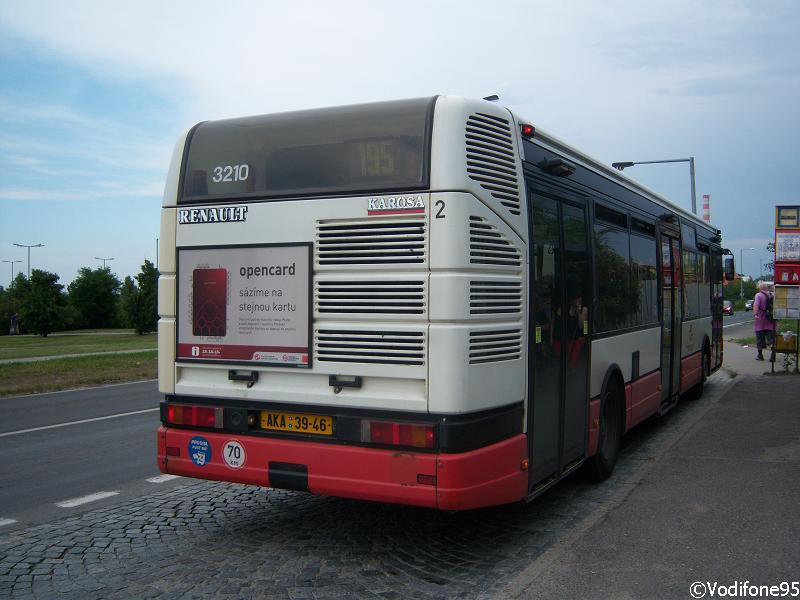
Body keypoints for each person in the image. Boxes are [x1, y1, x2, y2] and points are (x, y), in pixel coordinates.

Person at [753, 282, 775, 360]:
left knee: (760, 338)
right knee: (771, 339)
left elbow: (756, 305)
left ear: (760, 288)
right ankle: (773, 354)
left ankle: (760, 355)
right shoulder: (772, 295)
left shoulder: (758, 295)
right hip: (770, 319)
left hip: (760, 319)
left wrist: (755, 314)